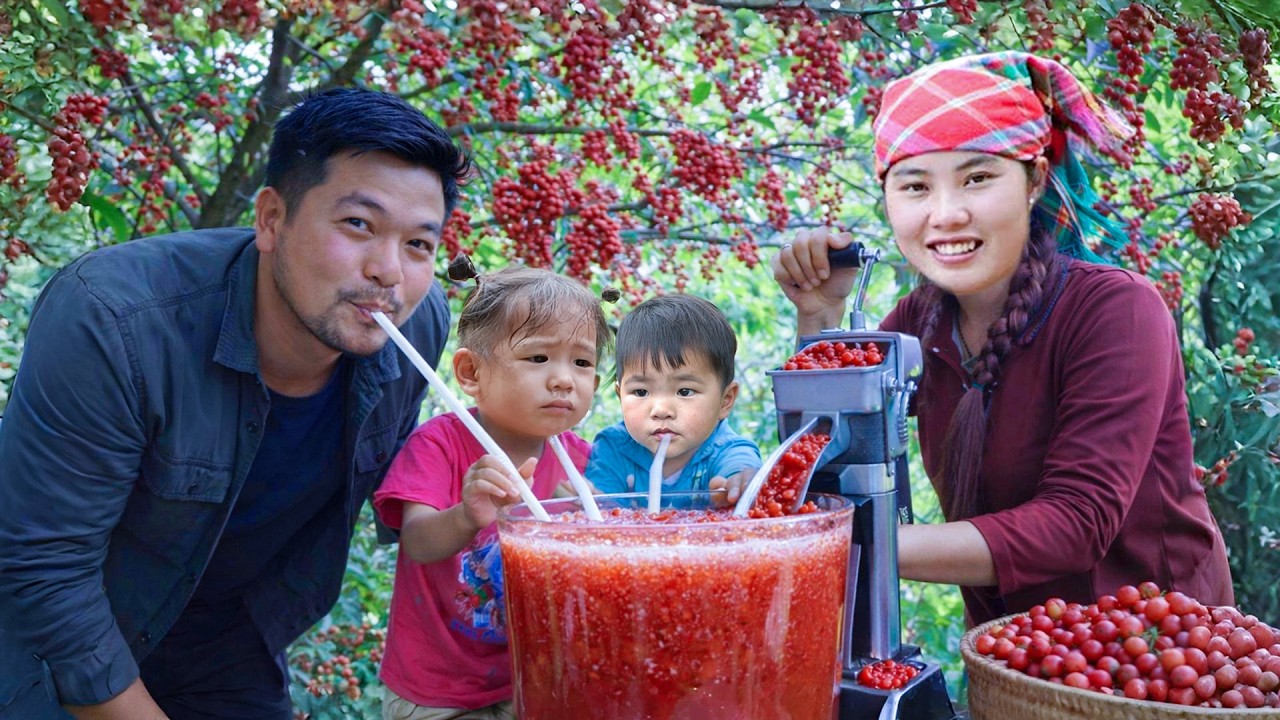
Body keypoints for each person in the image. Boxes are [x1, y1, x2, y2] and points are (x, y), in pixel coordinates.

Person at [0, 88, 470, 720]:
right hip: (43, 661)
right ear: (272, 219)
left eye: (419, 244)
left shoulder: (416, 322)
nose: (390, 271)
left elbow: (406, 496)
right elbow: (45, 566)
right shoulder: (112, 319)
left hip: (227, 653)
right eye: (359, 224)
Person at [770, 52, 1233, 625]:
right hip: (1011, 656)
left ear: (1035, 180)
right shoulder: (919, 323)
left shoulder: (1116, 309)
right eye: (915, 187)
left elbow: (1074, 525)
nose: (945, 214)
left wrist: (844, 535)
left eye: (978, 178)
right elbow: (826, 454)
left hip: (1155, 659)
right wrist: (819, 313)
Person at [371, 266, 610, 720]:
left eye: (582, 362)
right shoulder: (439, 444)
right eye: (538, 358)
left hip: (532, 678)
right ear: (471, 372)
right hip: (436, 689)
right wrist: (466, 514)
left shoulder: (586, 465)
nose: (564, 379)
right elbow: (417, 542)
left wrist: (587, 536)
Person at [584, 294, 761, 497]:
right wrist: (591, 500)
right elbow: (602, 516)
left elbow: (740, 469)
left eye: (684, 391)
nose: (661, 410)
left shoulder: (728, 451)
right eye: (641, 392)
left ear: (725, 400)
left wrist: (741, 483)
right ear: (620, 396)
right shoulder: (613, 448)